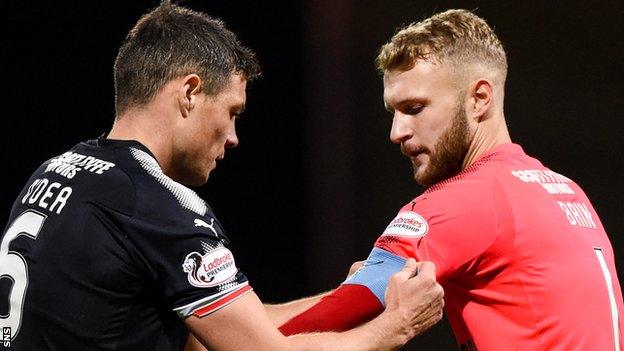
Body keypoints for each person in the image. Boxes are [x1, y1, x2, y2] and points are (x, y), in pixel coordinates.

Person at [0, 2, 446, 351]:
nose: (233, 137)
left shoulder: (58, 172)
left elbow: (231, 326)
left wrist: (349, 295)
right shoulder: (157, 205)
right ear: (190, 92)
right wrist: (394, 327)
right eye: (232, 112)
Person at [279, 9, 624, 350]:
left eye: (414, 109)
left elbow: (332, 313)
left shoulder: (464, 199)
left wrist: (229, 322)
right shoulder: (567, 191)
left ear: (479, 99)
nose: (396, 132)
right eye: (392, 113)